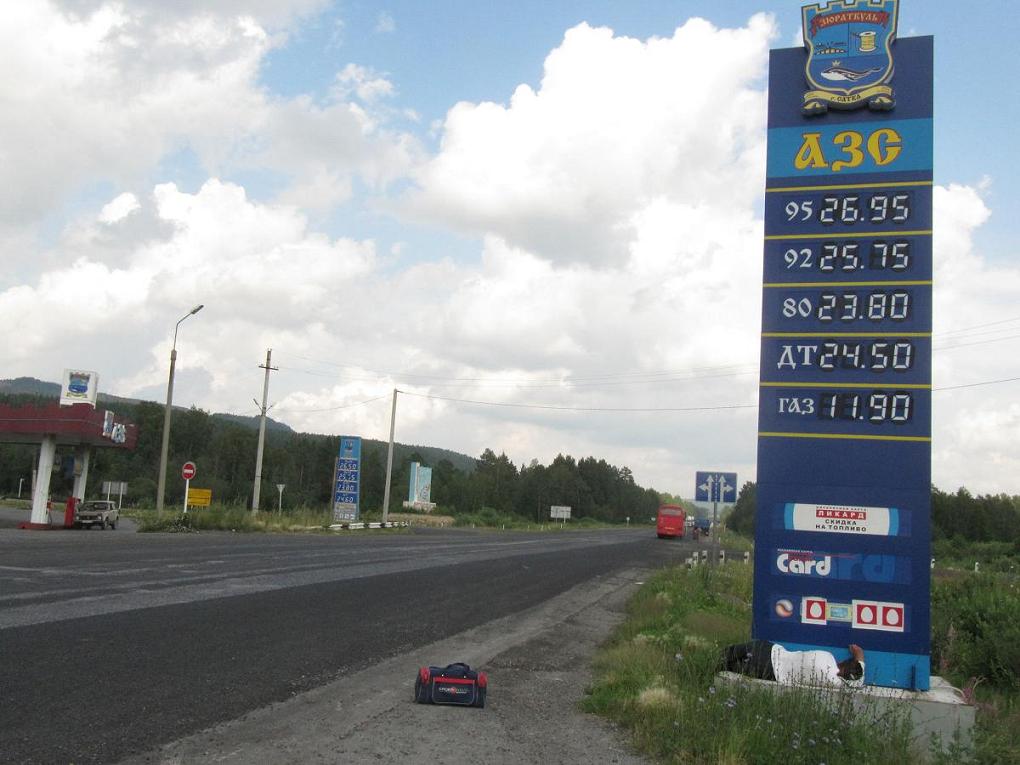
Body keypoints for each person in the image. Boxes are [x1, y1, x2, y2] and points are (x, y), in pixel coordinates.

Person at [720, 640, 865, 688]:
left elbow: (858, 658)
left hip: (770, 650)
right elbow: (856, 684)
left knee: (724, 654)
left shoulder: (827, 656)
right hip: (771, 672)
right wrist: (859, 659)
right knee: (727, 665)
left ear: (844, 662)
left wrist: (858, 655)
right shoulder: (834, 683)